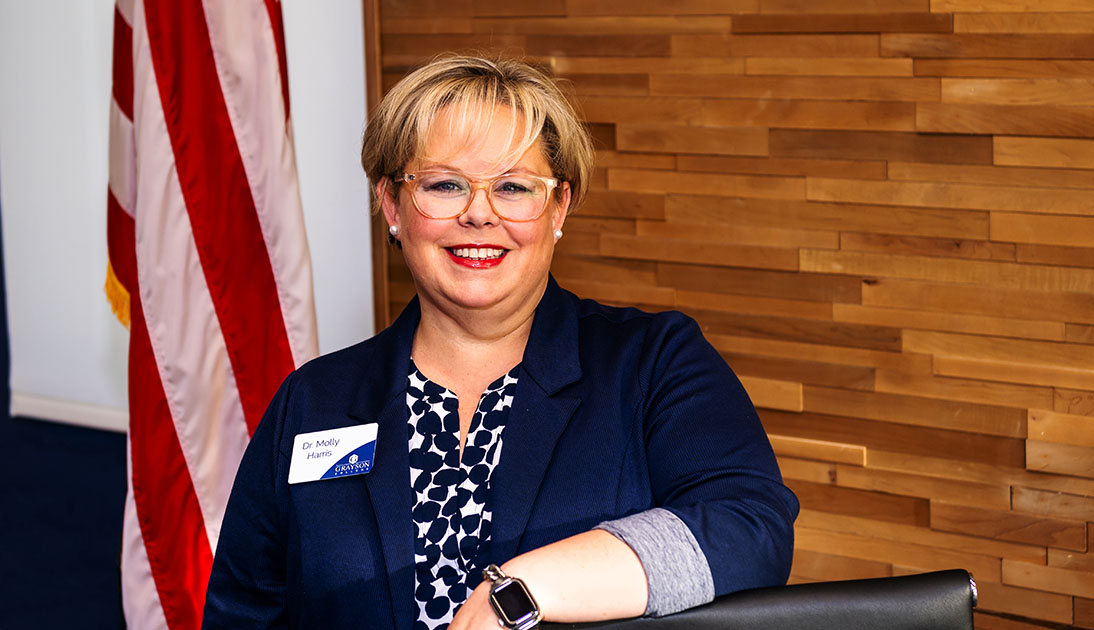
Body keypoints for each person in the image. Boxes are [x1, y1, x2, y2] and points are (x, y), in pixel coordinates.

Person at [202, 54, 798, 630]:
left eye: (514, 187)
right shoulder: (314, 401)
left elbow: (751, 530)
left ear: (558, 206)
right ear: (392, 204)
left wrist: (522, 592)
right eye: (444, 185)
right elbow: (245, 612)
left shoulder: (653, 363)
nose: (480, 214)